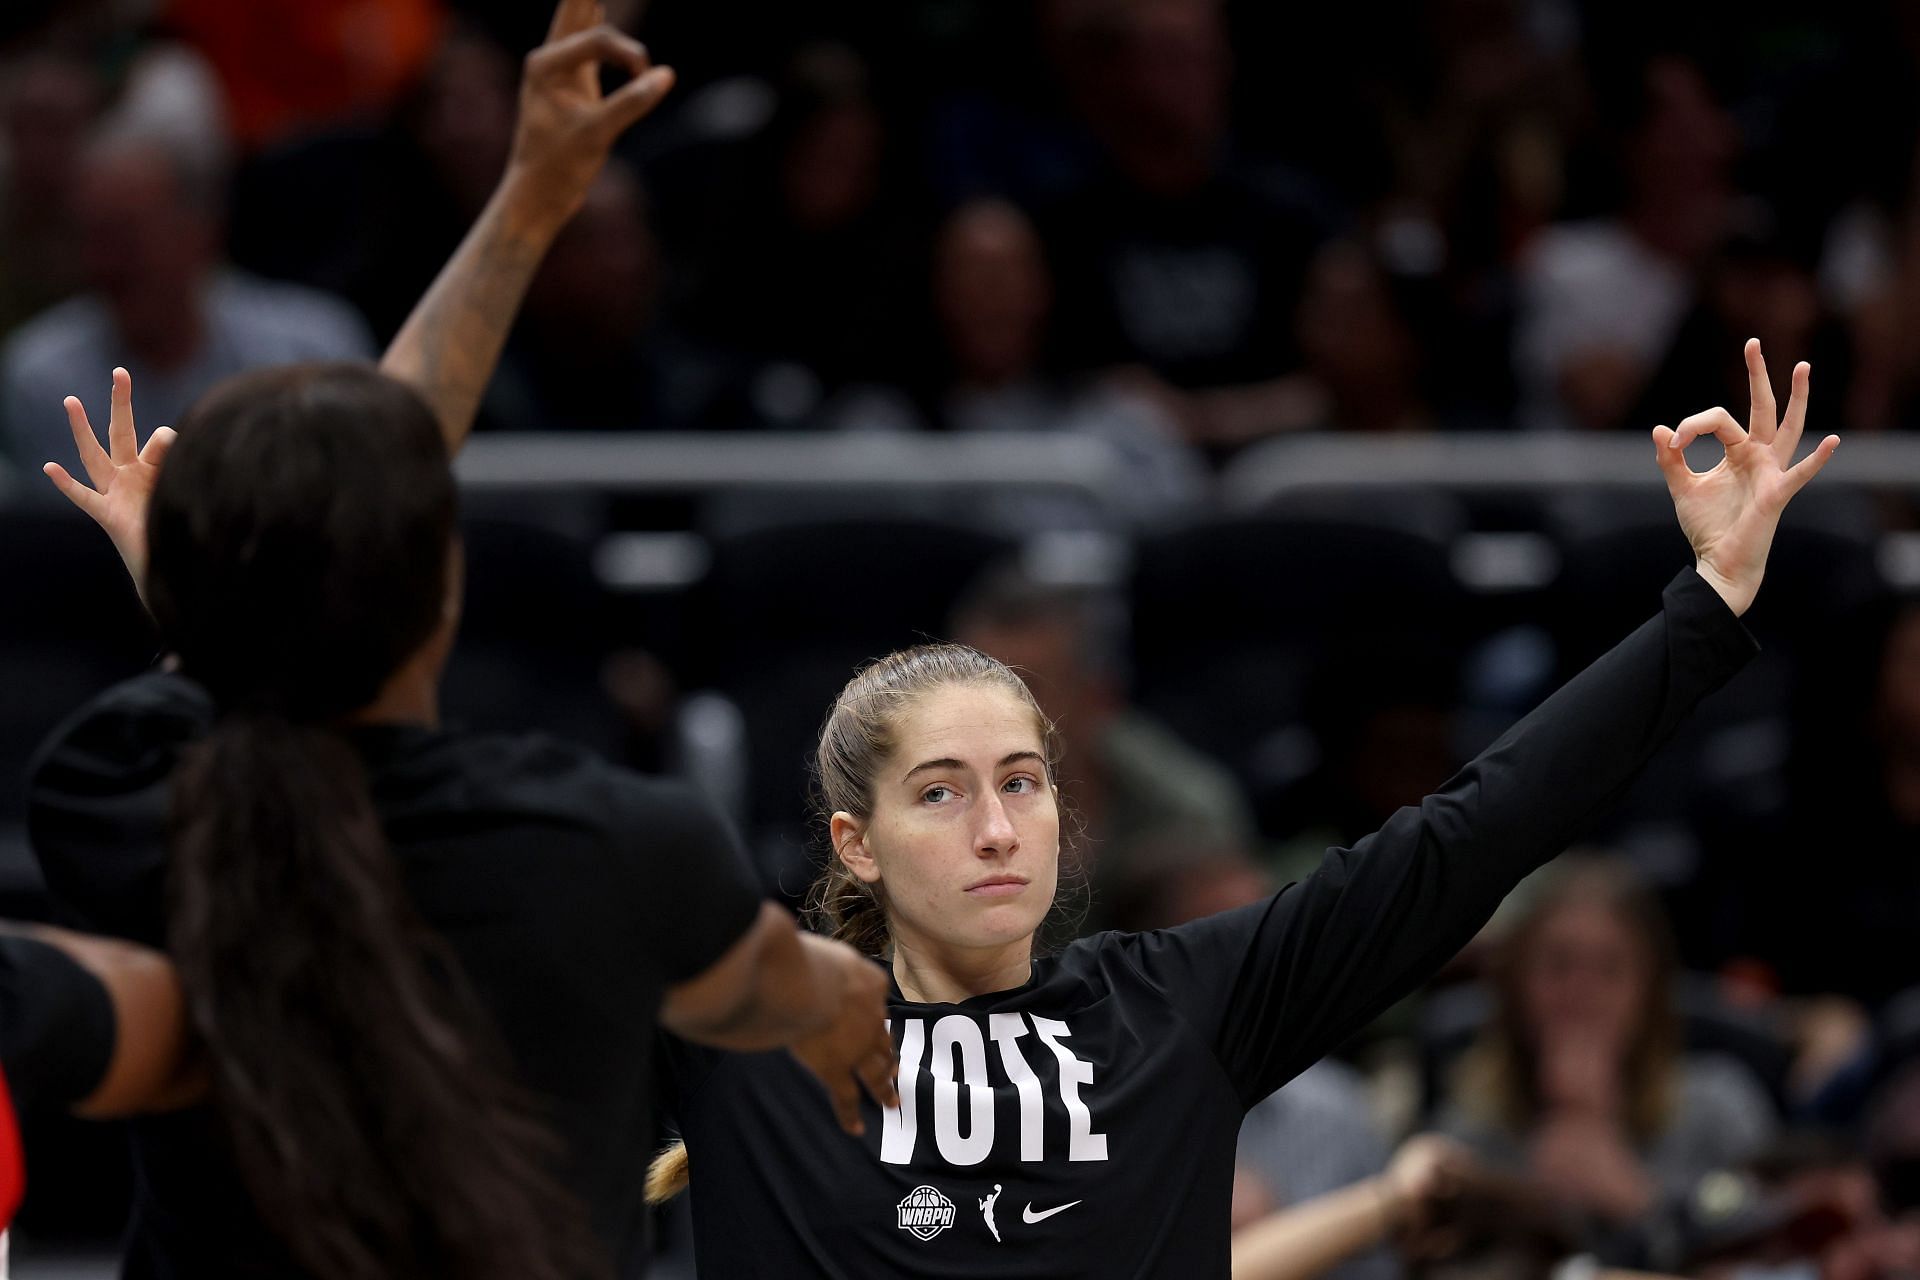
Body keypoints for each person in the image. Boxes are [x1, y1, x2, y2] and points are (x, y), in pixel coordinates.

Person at [649, 337, 1838, 1277]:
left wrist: (1709, 600)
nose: (998, 827)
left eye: (1021, 781)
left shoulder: (1180, 1005)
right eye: (941, 793)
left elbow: (1472, 833)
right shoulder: (750, 1040)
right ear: (854, 842)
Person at [26, 4, 894, 1276]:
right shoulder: (619, 845)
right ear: (446, 587)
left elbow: (349, 510)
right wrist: (533, 199)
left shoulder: (120, 793)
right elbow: (810, 993)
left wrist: (205, 591)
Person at [1433, 858, 1777, 1238]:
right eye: (1559, 966)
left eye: (1610, 969)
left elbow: (1774, 1249)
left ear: (1650, 990)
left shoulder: (1720, 1107)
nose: (1581, 995)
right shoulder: (1469, 1129)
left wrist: (1636, 1199)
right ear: (1514, 985)